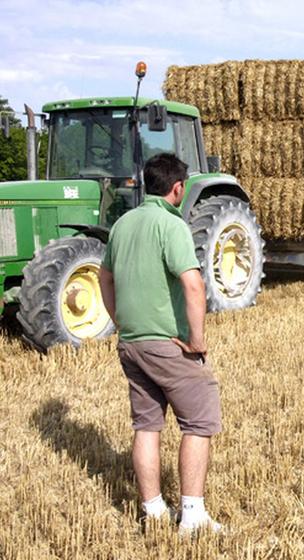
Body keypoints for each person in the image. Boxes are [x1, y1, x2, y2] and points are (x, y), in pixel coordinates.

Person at [99, 153, 222, 534]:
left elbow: (104, 278)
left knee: (147, 426)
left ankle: (153, 510)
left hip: (131, 343)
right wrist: (196, 341)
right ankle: (193, 515)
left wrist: (120, 321)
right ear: (178, 188)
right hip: (168, 343)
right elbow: (193, 283)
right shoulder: (171, 226)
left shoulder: (122, 224)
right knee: (200, 421)